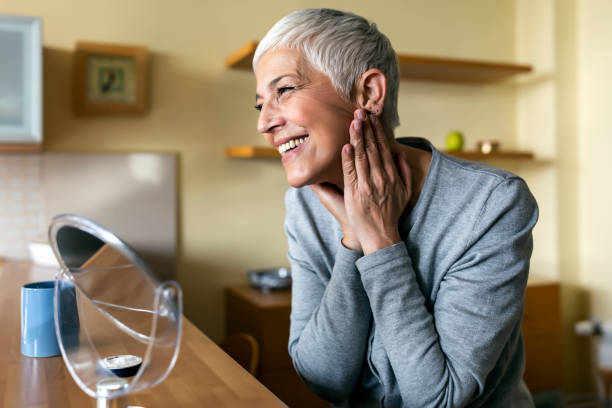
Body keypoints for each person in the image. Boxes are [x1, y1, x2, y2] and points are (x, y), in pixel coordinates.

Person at [253, 8, 538, 408]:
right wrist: (352, 240)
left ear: (368, 93)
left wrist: (380, 239)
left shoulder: (492, 205)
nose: (264, 123)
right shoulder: (304, 203)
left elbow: (438, 399)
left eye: (283, 90)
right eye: (259, 103)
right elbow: (323, 379)